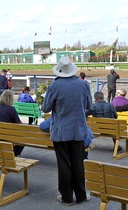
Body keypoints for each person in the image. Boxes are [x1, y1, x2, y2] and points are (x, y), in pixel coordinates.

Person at [42, 56, 92, 206]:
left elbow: (45, 108)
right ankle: (81, 195)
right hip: (78, 130)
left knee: (64, 165)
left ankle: (67, 197)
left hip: (60, 131)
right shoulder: (83, 85)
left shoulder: (54, 86)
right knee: (78, 163)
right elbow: (89, 105)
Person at [0, 90, 24, 156]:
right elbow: (18, 122)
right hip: (9, 133)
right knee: (24, 137)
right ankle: (14, 153)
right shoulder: (11, 109)